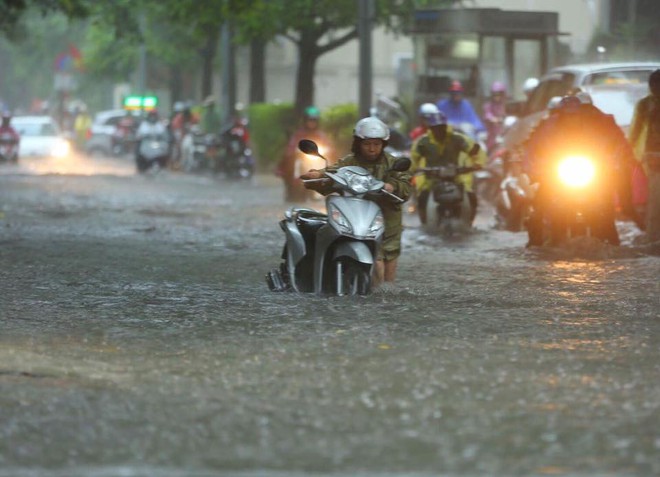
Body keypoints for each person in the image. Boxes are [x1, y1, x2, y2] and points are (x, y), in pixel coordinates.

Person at [300, 117, 412, 286]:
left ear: (383, 144)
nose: (372, 149)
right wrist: (317, 175)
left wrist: (392, 186)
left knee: (387, 282)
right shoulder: (349, 161)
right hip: (356, 217)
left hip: (387, 222)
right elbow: (332, 172)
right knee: (377, 268)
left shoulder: (393, 163)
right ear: (358, 143)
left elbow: (405, 187)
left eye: (376, 144)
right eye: (367, 144)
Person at [525, 94, 642, 246]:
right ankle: (536, 245)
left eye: (574, 114)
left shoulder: (594, 126)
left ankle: (613, 243)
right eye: (567, 115)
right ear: (561, 114)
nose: (571, 118)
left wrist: (612, 163)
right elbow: (534, 149)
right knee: (540, 207)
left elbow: (610, 146)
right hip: (556, 175)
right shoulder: (548, 127)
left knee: (606, 207)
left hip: (591, 173)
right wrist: (537, 169)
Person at [410, 109, 487, 227]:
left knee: (472, 198)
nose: (439, 131)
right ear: (431, 128)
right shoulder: (423, 142)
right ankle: (424, 223)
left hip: (456, 179)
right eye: (436, 128)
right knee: (422, 198)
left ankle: (470, 223)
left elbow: (475, 150)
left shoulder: (458, 139)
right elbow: (413, 158)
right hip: (431, 181)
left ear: (446, 126)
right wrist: (413, 169)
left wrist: (477, 164)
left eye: (441, 127)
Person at [628, 69, 660, 242]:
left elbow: (635, 132)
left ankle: (653, 235)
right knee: (654, 198)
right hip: (652, 157)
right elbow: (635, 132)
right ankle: (654, 235)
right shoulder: (645, 105)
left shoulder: (646, 105)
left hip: (651, 156)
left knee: (655, 199)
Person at [277, 106, 333, 202]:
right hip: (301, 160)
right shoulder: (299, 134)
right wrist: (294, 150)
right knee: (290, 164)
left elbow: (329, 146)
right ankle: (293, 183)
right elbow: (292, 145)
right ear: (305, 120)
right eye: (310, 120)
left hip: (317, 159)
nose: (312, 123)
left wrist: (329, 150)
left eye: (314, 120)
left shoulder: (321, 134)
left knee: (331, 164)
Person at [482, 81, 508, 152]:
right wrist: (493, 119)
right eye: (495, 95)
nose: (497, 97)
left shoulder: (504, 105)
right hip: (492, 133)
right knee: (491, 150)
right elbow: (487, 115)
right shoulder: (488, 105)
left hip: (503, 132)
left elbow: (506, 115)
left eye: (499, 95)